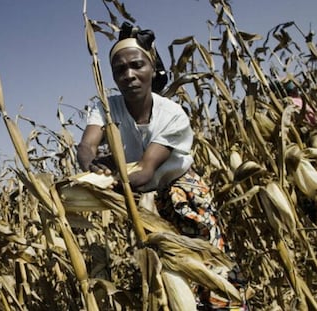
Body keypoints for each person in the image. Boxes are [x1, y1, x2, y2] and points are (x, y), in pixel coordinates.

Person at [77, 23, 244, 309]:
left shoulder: (172, 114)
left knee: (208, 266)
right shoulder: (106, 107)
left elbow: (144, 172)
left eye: (137, 65)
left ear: (152, 68)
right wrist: (91, 165)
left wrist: (111, 176)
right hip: (144, 203)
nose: (129, 75)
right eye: (120, 70)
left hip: (182, 196)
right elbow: (86, 146)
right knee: (169, 280)